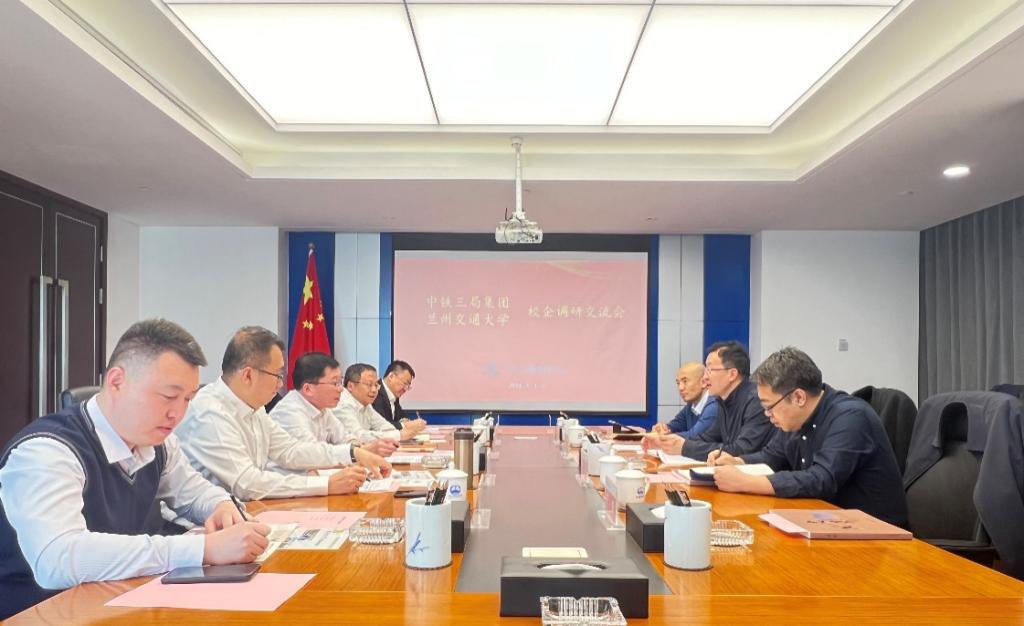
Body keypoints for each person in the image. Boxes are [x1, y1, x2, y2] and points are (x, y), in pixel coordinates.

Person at [0, 319, 270, 620]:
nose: (178, 413)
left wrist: (220, 506)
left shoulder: (157, 443)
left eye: (188, 399)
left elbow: (193, 491)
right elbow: (58, 559)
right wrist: (202, 549)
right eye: (169, 396)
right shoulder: (46, 451)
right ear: (117, 382)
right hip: (39, 614)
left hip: (115, 603)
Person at [177, 327, 391, 501]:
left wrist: (353, 453)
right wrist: (325, 484)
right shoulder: (211, 412)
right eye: (277, 375)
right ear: (248, 375)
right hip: (200, 526)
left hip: (245, 512)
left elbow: (290, 450)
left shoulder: (255, 408)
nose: (281, 384)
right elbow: (247, 484)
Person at [710, 347, 908, 527]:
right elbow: (772, 456)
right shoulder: (794, 420)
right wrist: (738, 462)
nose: (767, 415)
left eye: (769, 407)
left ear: (798, 397)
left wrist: (746, 482)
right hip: (826, 521)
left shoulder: (851, 417)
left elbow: (822, 479)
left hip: (875, 533)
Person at [644, 341, 771, 459]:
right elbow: (707, 438)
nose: (704, 378)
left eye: (710, 370)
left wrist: (684, 447)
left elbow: (741, 450)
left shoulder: (757, 401)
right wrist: (663, 441)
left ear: (732, 374)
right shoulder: (723, 401)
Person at [270, 352, 397, 457]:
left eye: (340, 382)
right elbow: (314, 455)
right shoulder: (290, 411)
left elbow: (345, 438)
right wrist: (360, 452)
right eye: (335, 383)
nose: (341, 389)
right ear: (308, 389)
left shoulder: (323, 409)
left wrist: (360, 448)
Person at [335, 364, 425, 442]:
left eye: (376, 385)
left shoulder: (366, 405)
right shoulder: (343, 404)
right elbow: (358, 436)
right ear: (350, 386)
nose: (374, 390)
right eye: (369, 384)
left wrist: (403, 433)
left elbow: (386, 427)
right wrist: (400, 435)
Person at [652, 362, 720, 438]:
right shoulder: (691, 405)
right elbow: (676, 425)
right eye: (678, 383)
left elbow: (694, 436)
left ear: (703, 382)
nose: (680, 388)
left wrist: (662, 437)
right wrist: (663, 429)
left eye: (685, 381)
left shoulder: (714, 404)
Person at [372, 360, 427, 432]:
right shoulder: (375, 392)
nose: (405, 389)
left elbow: (401, 417)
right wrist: (405, 425)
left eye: (408, 386)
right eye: (405, 383)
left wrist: (407, 421)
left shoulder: (394, 395)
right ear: (391, 376)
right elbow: (380, 425)